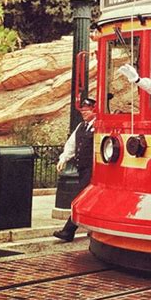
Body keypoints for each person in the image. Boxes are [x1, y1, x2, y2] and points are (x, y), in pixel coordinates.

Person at [53, 97, 96, 242]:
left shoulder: (99, 127)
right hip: (83, 169)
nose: (84, 112)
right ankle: (92, 230)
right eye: (82, 110)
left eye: (87, 110)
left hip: (94, 171)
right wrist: (63, 158)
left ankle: (68, 231)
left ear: (94, 110)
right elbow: (71, 144)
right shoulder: (81, 127)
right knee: (89, 201)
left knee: (80, 199)